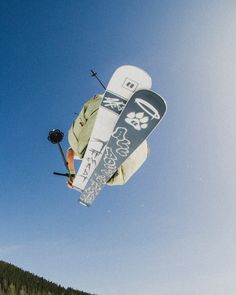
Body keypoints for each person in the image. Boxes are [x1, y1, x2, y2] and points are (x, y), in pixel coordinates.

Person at [66, 94, 150, 188]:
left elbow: (70, 152)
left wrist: (72, 173)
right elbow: (70, 153)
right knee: (118, 177)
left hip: (100, 110)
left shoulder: (81, 150)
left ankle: (111, 112)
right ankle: (114, 172)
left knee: (76, 145)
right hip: (137, 149)